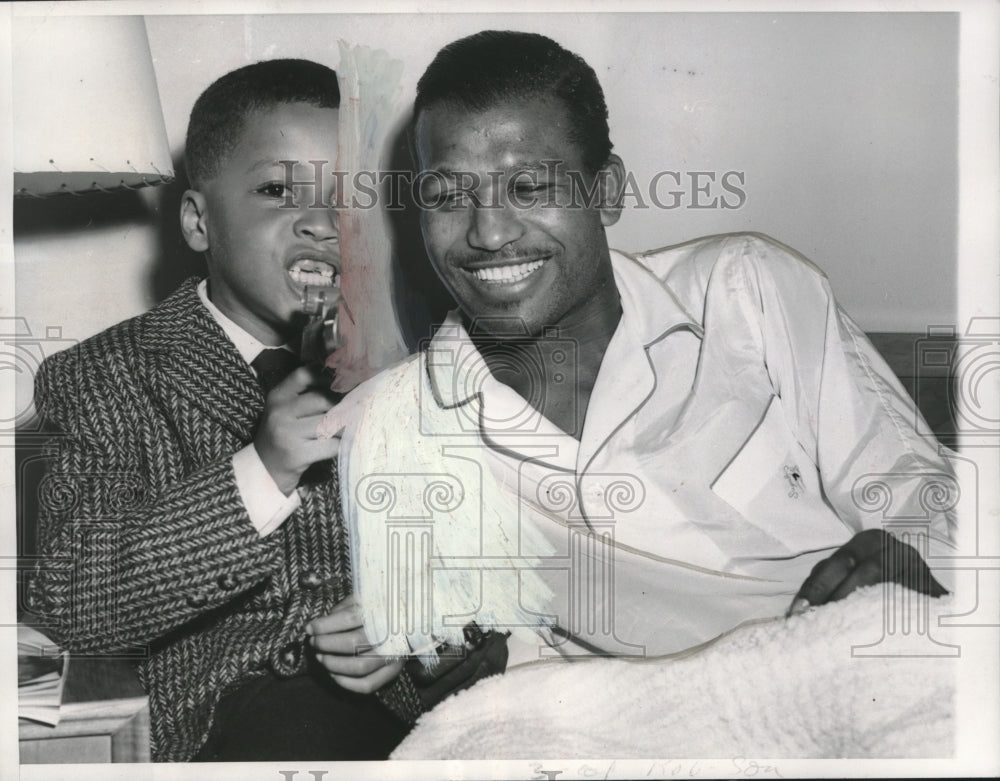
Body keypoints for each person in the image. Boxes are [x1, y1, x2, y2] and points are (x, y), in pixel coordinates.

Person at [327, 31, 957, 666]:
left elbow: (913, 489)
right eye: (448, 196)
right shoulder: (397, 426)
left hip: (870, 668)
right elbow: (476, 658)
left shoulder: (746, 290)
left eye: (528, 188)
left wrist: (913, 565)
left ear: (606, 192)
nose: (489, 233)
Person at [27, 58, 499, 762]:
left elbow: (491, 557)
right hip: (225, 723)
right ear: (197, 221)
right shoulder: (103, 376)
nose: (320, 223)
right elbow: (72, 602)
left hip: (416, 719)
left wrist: (418, 623)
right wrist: (262, 468)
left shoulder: (422, 361)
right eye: (278, 189)